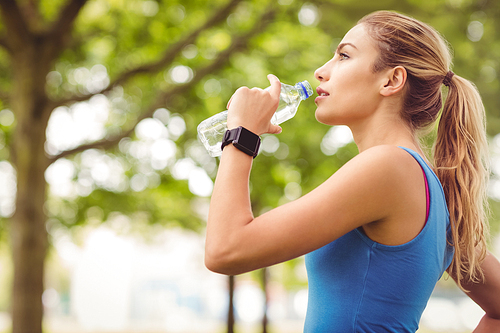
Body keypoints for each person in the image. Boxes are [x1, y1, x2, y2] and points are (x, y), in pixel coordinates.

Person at [204, 10, 500, 332]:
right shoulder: (428, 186)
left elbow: (226, 250)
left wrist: (242, 134)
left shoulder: (389, 167)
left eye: (344, 55)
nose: (321, 71)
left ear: (391, 80)